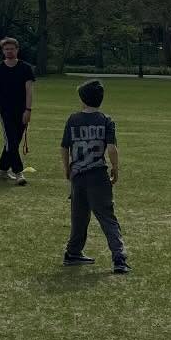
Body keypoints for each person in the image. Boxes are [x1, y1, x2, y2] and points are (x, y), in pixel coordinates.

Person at [60, 79, 130, 274]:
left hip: (78, 175)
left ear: (82, 100)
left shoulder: (73, 119)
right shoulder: (106, 120)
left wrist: (67, 168)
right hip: (98, 175)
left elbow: (64, 147)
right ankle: (119, 258)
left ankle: (73, 252)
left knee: (79, 216)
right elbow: (111, 148)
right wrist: (115, 167)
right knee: (107, 218)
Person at [0, 37, 35, 185]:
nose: (9, 51)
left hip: (22, 110)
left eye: (11, 48)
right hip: (4, 110)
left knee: (12, 142)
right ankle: (18, 173)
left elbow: (29, 90)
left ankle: (2, 172)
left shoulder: (25, 68)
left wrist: (28, 110)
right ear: (3, 51)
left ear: (17, 50)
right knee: (11, 142)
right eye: (6, 49)